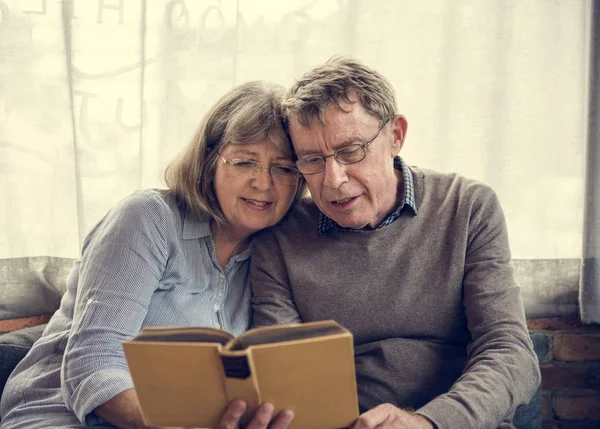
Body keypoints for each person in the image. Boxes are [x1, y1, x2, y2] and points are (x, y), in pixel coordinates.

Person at [250, 57, 541, 429]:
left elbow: (510, 353)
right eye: (311, 160)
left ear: (396, 136)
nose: (333, 180)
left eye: (351, 151)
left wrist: (428, 422)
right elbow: (287, 372)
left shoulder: (467, 207)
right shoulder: (279, 238)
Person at [0, 81, 305, 429]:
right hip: (61, 414)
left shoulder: (276, 254)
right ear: (209, 162)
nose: (263, 183)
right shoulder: (148, 218)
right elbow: (93, 359)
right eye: (244, 161)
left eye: (283, 168)